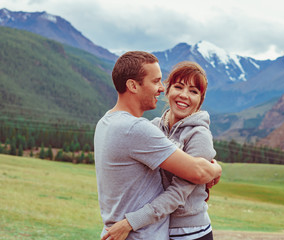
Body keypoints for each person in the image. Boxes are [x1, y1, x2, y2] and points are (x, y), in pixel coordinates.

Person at [94, 51, 222, 240]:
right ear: (132, 85)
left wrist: (131, 221)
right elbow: (199, 172)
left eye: (194, 91)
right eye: (156, 82)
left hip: (189, 232)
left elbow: (183, 187)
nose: (160, 88)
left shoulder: (106, 122)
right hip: (144, 232)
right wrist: (216, 169)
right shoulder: (146, 128)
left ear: (200, 100)